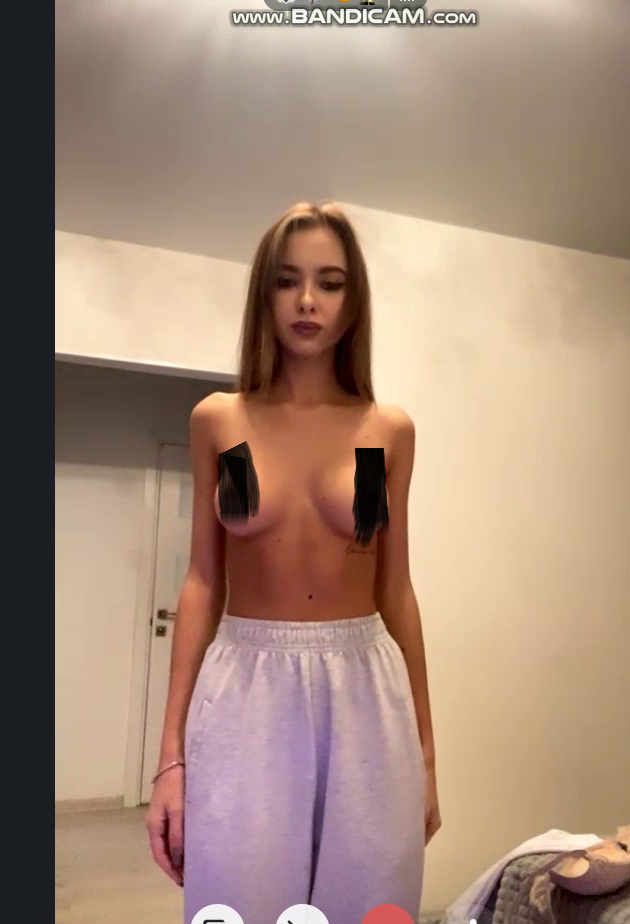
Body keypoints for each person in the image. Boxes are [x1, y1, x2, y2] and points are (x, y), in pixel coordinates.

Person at [145, 201, 440, 924]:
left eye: (330, 283)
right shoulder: (222, 421)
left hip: (366, 686)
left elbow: (396, 591)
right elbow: (203, 583)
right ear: (264, 294)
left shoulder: (385, 432)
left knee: (368, 902)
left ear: (353, 299)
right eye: (287, 281)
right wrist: (170, 758)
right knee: (236, 897)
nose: (308, 301)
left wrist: (427, 756)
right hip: (246, 683)